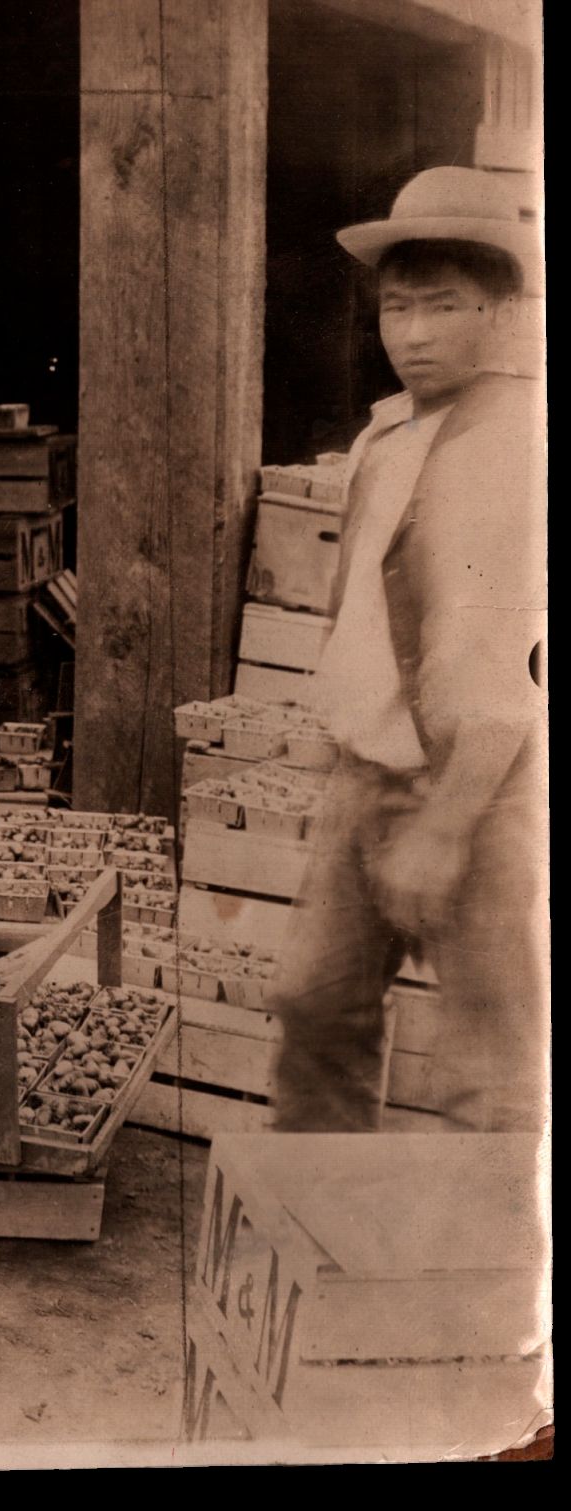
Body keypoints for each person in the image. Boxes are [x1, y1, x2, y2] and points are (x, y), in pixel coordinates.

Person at [270, 166, 545, 1135]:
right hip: (365, 778)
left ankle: (494, 1236)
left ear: (498, 311)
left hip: (484, 791)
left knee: (490, 1073)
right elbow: (361, 621)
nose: (414, 332)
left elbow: (511, 675)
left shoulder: (517, 443)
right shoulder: (383, 437)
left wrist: (446, 823)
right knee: (313, 1005)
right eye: (397, 307)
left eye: (443, 305)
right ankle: (319, 1214)